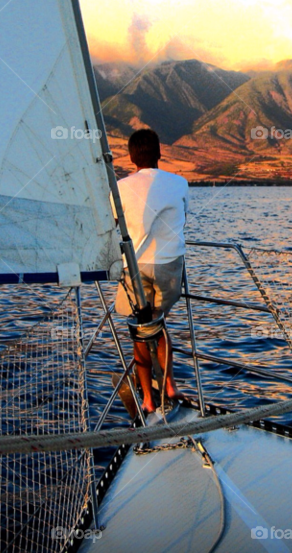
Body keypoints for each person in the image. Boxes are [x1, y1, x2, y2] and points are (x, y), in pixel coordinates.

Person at [112, 128, 189, 414]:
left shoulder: (118, 187)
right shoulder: (179, 183)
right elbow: (184, 219)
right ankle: (169, 386)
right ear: (159, 153)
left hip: (134, 266)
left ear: (131, 157)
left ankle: (146, 399)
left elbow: (114, 224)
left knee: (140, 331)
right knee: (159, 324)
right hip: (169, 263)